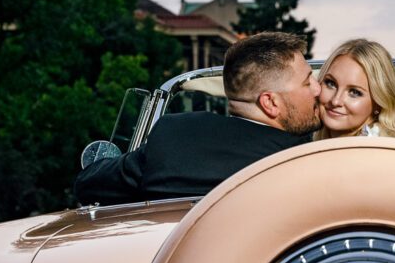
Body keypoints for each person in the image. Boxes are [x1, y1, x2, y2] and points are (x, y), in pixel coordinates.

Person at [75, 32, 321, 205]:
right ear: (270, 103)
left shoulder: (173, 137)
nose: (318, 89)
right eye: (308, 81)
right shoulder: (304, 155)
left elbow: (90, 183)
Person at [314, 38, 395, 140]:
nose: (335, 101)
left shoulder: (382, 151)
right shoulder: (309, 145)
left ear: (378, 104)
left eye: (354, 92)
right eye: (331, 83)